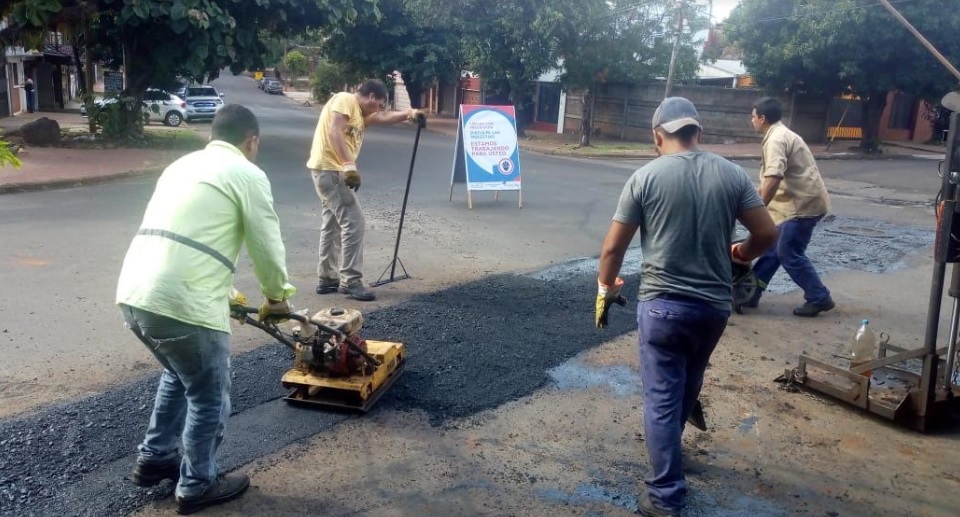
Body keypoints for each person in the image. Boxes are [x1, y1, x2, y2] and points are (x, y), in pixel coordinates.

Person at [595, 97, 777, 517]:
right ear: (699, 133)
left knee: (661, 397)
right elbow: (767, 234)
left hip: (661, 308)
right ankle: (670, 456)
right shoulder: (731, 174)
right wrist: (741, 252)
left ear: (657, 136)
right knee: (687, 385)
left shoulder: (645, 177)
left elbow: (612, 248)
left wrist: (606, 287)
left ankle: (665, 497)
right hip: (712, 309)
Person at [116, 104, 296, 515]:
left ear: (211, 135)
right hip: (182, 303)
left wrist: (229, 295)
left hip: (135, 294)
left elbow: (189, 239)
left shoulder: (180, 166)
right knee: (210, 395)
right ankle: (198, 483)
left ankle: (155, 457)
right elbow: (266, 244)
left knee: (179, 374)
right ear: (252, 142)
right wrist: (277, 297)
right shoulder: (248, 174)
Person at [306, 79, 425, 301]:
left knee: (332, 223)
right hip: (331, 170)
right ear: (371, 96)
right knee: (354, 222)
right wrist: (349, 165)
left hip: (327, 170)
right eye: (378, 103)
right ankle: (350, 280)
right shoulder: (345, 99)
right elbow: (334, 132)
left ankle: (327, 278)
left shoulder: (359, 113)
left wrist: (410, 113)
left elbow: (381, 118)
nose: (378, 109)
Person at [747, 97, 835, 317]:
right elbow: (768, 181)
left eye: (753, 116)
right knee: (771, 250)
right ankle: (749, 293)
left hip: (801, 207)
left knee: (788, 253)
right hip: (795, 203)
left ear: (762, 118)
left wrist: (758, 212)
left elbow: (774, 177)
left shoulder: (776, 139)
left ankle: (819, 297)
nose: (752, 121)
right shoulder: (779, 134)